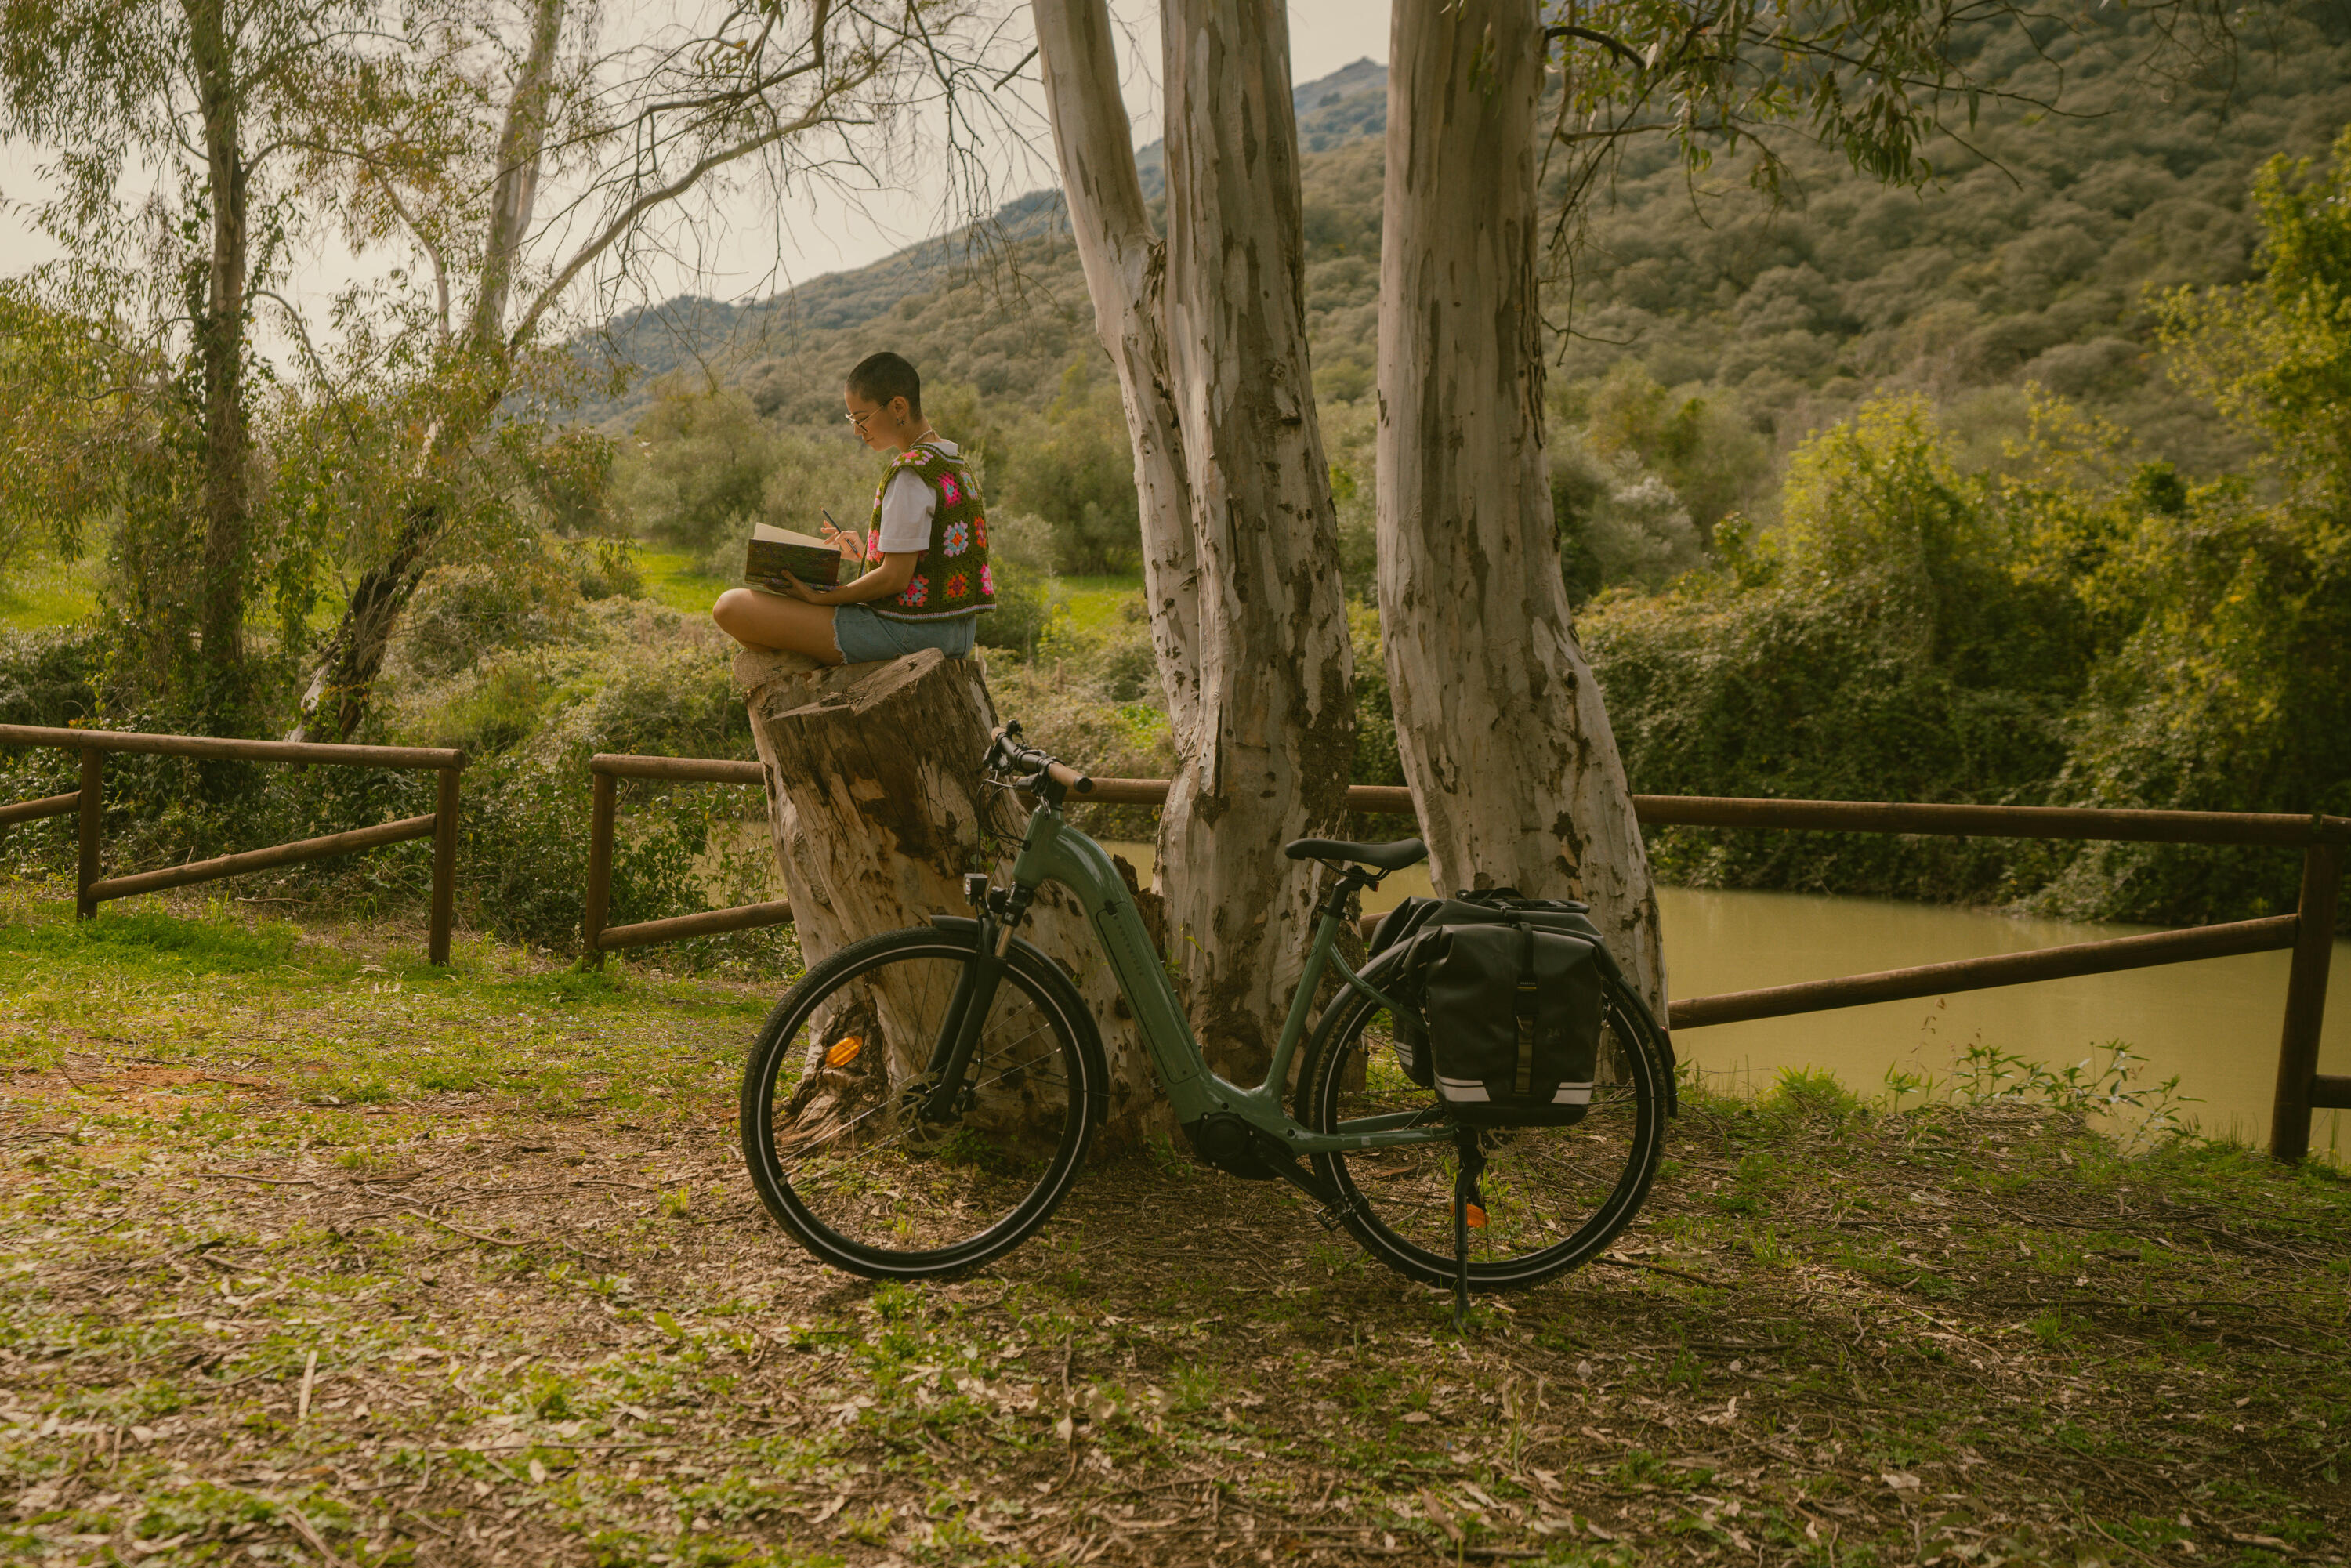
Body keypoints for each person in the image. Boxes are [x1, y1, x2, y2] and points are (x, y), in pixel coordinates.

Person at [712, 351, 995, 664]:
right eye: (852, 420)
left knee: (730, 607)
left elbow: (895, 580)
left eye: (862, 419)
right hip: (956, 635)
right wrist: (867, 554)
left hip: (911, 634)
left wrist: (826, 597)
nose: (857, 431)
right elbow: (930, 563)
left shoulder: (910, 472)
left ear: (898, 407)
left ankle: (806, 668)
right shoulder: (954, 463)